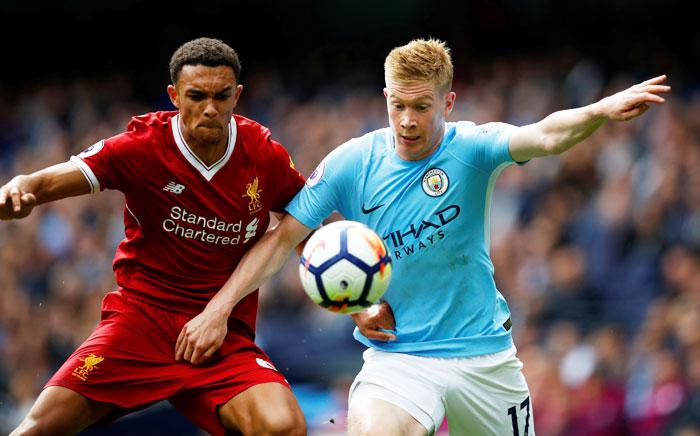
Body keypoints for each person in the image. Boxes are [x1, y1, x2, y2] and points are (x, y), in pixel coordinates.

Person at [175, 38, 670, 435]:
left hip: (485, 358)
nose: (407, 120)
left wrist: (601, 110)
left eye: (422, 106)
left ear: (448, 102)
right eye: (398, 105)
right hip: (401, 357)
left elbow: (544, 135)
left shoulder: (473, 148)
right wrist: (218, 309)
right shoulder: (352, 163)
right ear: (385, 98)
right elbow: (284, 240)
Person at [2, 37, 306, 436]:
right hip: (140, 324)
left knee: (284, 427)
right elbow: (39, 183)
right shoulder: (141, 147)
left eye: (222, 96)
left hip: (220, 334)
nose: (210, 108)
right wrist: (17, 189)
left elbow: (307, 224)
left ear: (238, 95)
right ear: (174, 95)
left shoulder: (263, 154)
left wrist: (357, 303)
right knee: (38, 429)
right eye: (196, 96)